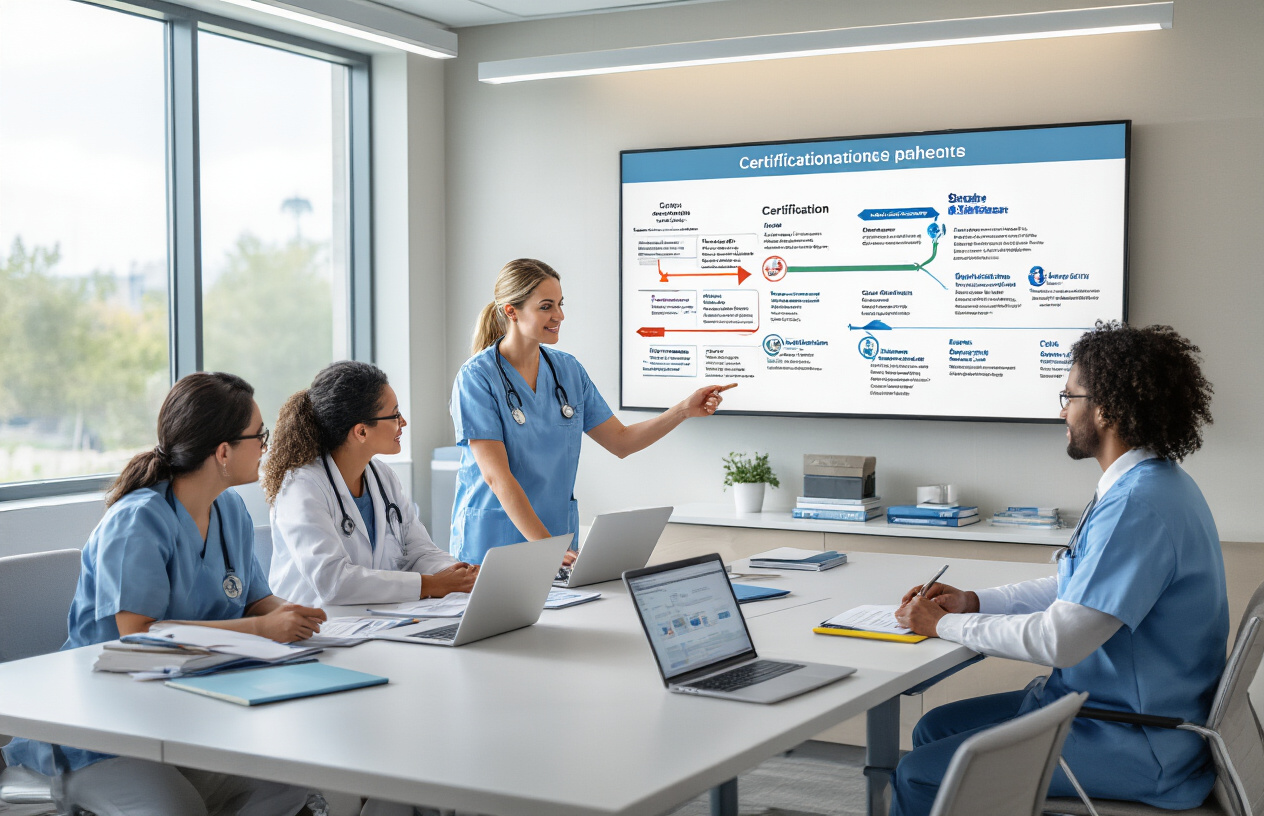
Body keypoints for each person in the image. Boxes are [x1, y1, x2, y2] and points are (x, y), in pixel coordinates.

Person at [891, 321, 1226, 815]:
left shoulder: (1138, 506)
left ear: (1107, 407)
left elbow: (1060, 640)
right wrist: (974, 602)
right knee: (933, 729)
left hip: (1136, 738)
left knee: (919, 775)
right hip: (1113, 712)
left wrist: (945, 625)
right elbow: (1073, 590)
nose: (1062, 411)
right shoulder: (1149, 484)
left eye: (1069, 397)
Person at [1, 372, 320, 816]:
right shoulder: (137, 521)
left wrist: (310, 618)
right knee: (177, 810)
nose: (265, 446)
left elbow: (254, 599)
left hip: (185, 714)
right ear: (223, 452)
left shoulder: (230, 510)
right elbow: (139, 634)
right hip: (101, 730)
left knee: (290, 782)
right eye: (258, 436)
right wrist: (264, 628)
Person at [449, 258, 735, 565]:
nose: (559, 315)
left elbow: (621, 442)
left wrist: (683, 410)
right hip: (495, 540)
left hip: (556, 539)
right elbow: (497, 476)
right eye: (546, 306)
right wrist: (546, 548)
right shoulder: (477, 377)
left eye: (560, 304)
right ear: (512, 312)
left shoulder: (567, 370)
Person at [265, 360, 477, 606]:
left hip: (378, 618)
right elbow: (334, 582)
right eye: (395, 415)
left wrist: (462, 575)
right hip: (317, 625)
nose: (403, 423)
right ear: (361, 432)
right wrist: (432, 585)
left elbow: (419, 552)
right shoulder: (301, 487)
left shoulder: (382, 476)